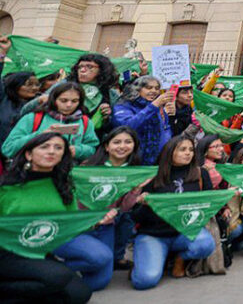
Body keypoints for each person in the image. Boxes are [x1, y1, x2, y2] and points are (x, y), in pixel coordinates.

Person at [0, 132, 116, 303]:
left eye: (58, 147)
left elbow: (68, 224)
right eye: (44, 147)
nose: (52, 151)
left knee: (80, 294)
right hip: (7, 252)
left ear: (63, 154)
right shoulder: (6, 187)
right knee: (58, 276)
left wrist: (96, 222)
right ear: (28, 154)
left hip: (38, 251)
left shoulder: (64, 185)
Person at [130, 135, 217, 290]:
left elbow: (208, 205)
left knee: (205, 244)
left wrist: (227, 195)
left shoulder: (200, 174)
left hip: (184, 233)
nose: (188, 153)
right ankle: (151, 259)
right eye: (182, 149)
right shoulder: (151, 176)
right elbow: (134, 215)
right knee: (145, 281)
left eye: (191, 149)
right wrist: (141, 203)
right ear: (169, 152)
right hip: (153, 234)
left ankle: (180, 257)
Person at [83, 126, 144, 270]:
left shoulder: (134, 170)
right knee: (96, 261)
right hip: (89, 219)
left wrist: (135, 191)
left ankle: (117, 256)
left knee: (126, 218)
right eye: (117, 142)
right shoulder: (89, 167)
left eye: (128, 142)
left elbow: (125, 207)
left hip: (113, 218)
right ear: (107, 146)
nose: (122, 146)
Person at [3, 82, 99, 162]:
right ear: (53, 100)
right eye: (63, 100)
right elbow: (8, 149)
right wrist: (40, 135)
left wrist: (77, 150)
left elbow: (92, 148)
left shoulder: (85, 121)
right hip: (33, 174)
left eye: (74, 101)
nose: (69, 105)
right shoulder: (33, 118)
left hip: (68, 174)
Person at [112, 76, 175, 165]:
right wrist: (153, 106)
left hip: (156, 162)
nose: (154, 91)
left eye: (157, 88)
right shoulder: (124, 105)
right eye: (149, 88)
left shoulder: (157, 107)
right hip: (132, 161)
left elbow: (165, 130)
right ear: (137, 89)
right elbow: (127, 126)